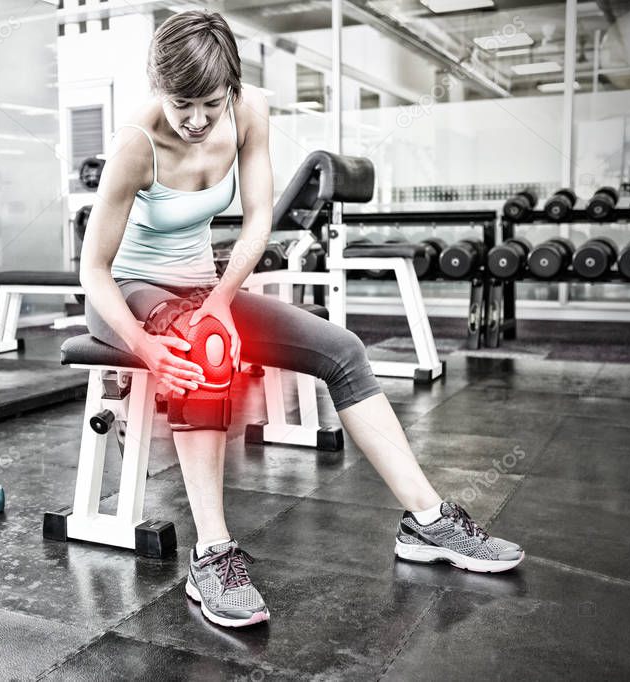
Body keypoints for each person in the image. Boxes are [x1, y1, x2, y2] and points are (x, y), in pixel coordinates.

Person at [78, 9, 522, 629]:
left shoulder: (249, 111)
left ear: (232, 88)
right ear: (159, 89)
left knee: (342, 350)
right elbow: (92, 272)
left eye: (210, 102)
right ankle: (212, 556)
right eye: (182, 104)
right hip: (126, 294)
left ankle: (428, 523)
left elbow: (259, 220)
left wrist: (219, 301)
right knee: (204, 351)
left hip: (202, 286)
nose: (197, 119)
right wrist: (150, 351)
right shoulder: (136, 145)